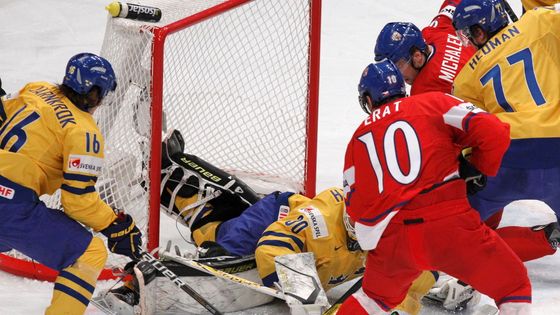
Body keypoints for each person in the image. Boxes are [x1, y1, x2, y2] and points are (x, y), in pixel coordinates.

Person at [107, 129, 440, 315]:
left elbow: (418, 274)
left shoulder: (393, 232)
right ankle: (137, 284)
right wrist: (304, 297)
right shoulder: (322, 223)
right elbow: (274, 244)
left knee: (216, 227)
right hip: (277, 217)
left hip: (293, 228)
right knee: (223, 258)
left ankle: (174, 166)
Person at [337, 60, 531, 314]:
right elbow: (494, 131)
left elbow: (356, 208)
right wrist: (477, 168)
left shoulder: (356, 139)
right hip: (449, 224)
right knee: (513, 286)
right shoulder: (433, 102)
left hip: (394, 239)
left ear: (368, 100)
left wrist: (378, 244)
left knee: (372, 299)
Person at [0, 53, 142, 315]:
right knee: (89, 253)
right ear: (95, 93)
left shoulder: (36, 89)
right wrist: (115, 225)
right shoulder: (84, 132)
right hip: (9, 205)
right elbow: (77, 202)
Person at [452, 0, 560, 261]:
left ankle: (428, 279)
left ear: (480, 30)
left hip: (507, 157)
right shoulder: (538, 22)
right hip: (556, 148)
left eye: (468, 34)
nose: (468, 42)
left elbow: (472, 133)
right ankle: (550, 235)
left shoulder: (465, 77)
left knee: (454, 229)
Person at [373, 0, 476, 95]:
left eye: (398, 67)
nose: (394, 76)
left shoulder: (423, 91)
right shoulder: (431, 33)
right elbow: (453, 5)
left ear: (417, 57)